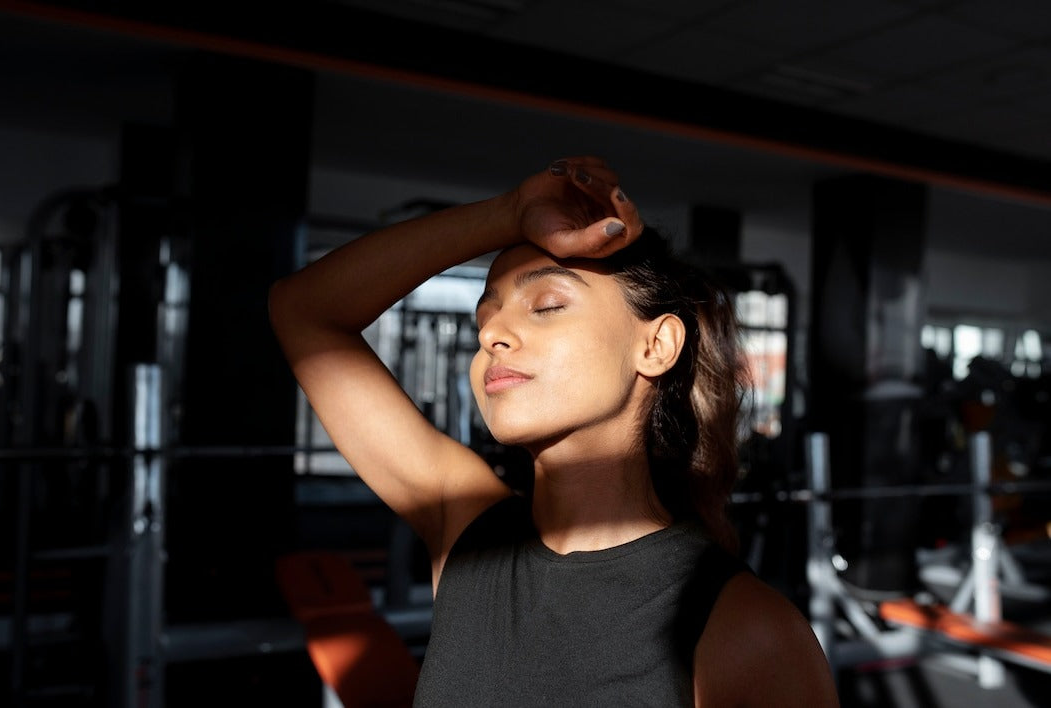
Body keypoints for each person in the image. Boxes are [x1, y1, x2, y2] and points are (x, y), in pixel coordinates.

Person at [269, 156, 840, 706]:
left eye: (545, 305)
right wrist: (510, 212)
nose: (494, 335)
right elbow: (304, 309)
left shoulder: (748, 631)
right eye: (484, 319)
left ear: (655, 346)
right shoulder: (468, 533)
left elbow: (306, 313)